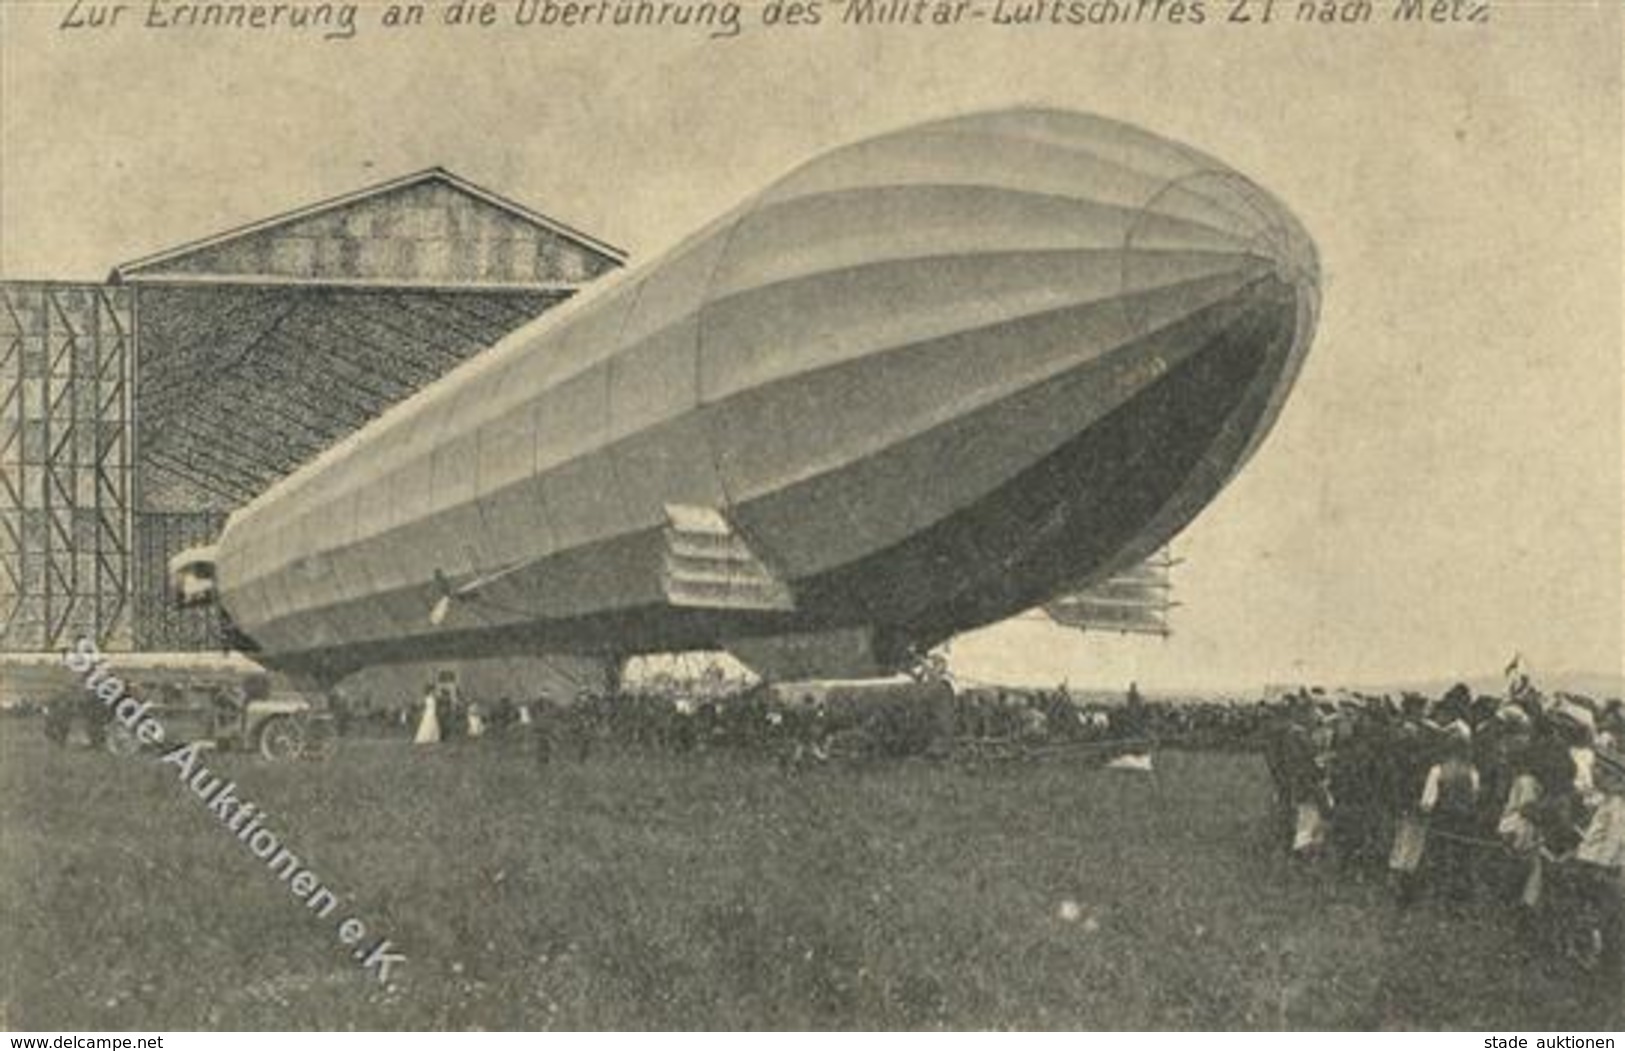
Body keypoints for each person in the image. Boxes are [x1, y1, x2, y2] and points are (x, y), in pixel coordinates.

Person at [1421, 722, 1481, 906]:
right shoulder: (1472, 772)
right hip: (1464, 822)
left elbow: (1427, 803)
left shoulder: (1437, 770)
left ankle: (1437, 897)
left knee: (1437, 860)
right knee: (1460, 861)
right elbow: (1475, 797)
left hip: (1441, 821)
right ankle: (1456, 900)